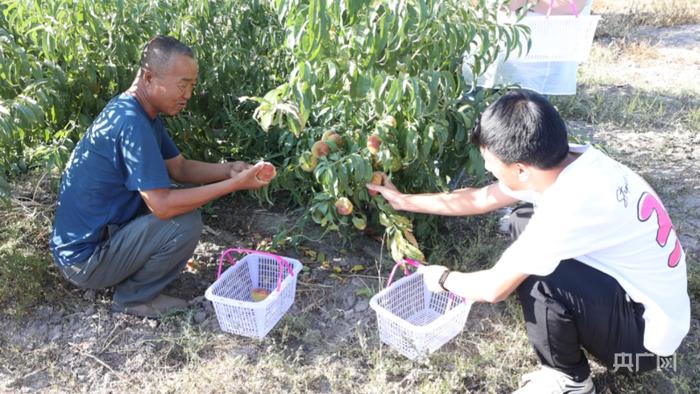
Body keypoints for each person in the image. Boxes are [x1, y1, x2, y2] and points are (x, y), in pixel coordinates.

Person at [367, 89, 690, 394]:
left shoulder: (568, 207)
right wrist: (403, 200)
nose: (488, 170)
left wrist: (442, 279)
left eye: (490, 164)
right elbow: (480, 198)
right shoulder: (571, 162)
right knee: (522, 220)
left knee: (538, 278)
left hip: (641, 351)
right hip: (649, 309)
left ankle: (570, 380)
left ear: (521, 169)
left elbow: (493, 288)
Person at [50, 35, 276, 318]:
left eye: (192, 86)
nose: (188, 95)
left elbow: (179, 168)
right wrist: (234, 185)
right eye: (183, 84)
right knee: (184, 221)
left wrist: (230, 169)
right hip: (86, 261)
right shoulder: (132, 122)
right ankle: (133, 299)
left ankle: (128, 275)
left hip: (88, 247)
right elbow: (164, 205)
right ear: (148, 77)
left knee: (174, 195)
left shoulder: (139, 112)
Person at [464, 0, 594, 96]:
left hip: (534, 56)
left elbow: (574, 5)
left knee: (524, 114)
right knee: (470, 101)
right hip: (486, 47)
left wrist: (525, 2)